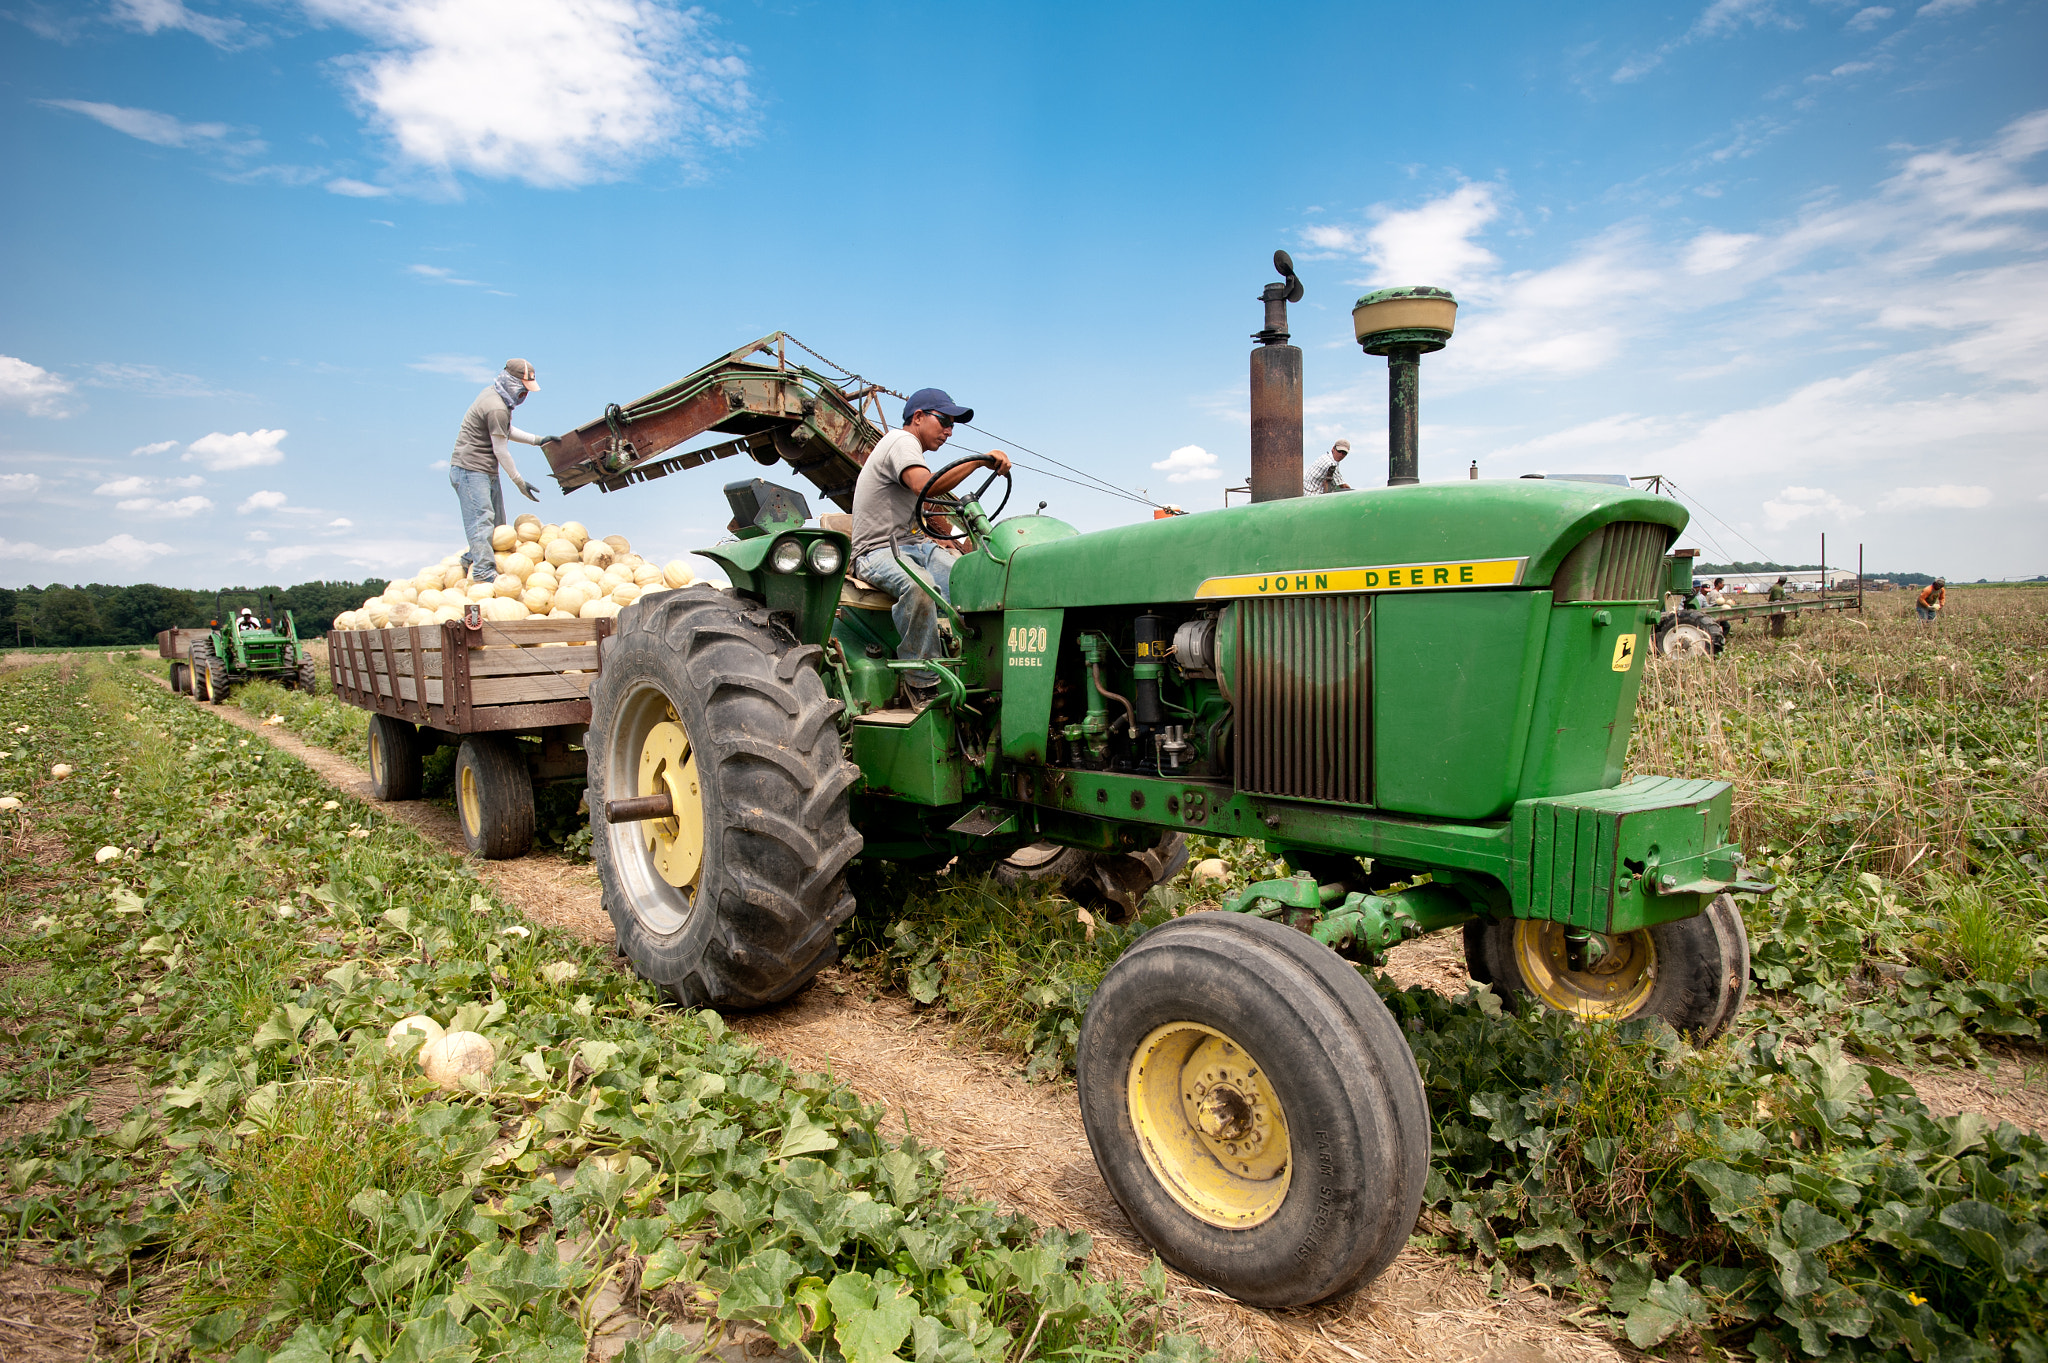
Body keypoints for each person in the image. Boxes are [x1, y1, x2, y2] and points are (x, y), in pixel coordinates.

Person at [849, 388, 1012, 703]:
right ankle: (921, 682)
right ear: (919, 417)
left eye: (954, 425)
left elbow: (929, 504)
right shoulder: (901, 442)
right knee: (921, 587)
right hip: (876, 551)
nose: (949, 431)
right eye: (944, 421)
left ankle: (984, 671)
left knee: (972, 581)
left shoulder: (912, 453)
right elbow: (927, 486)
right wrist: (980, 461)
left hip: (914, 544)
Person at [450, 359, 555, 582]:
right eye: (523, 390)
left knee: (498, 525)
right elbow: (501, 450)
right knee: (482, 521)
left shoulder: (497, 397)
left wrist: (538, 440)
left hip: (485, 470)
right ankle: (482, 572)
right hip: (470, 470)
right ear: (511, 383)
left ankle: (472, 559)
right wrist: (519, 482)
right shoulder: (496, 406)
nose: (524, 396)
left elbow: (505, 430)